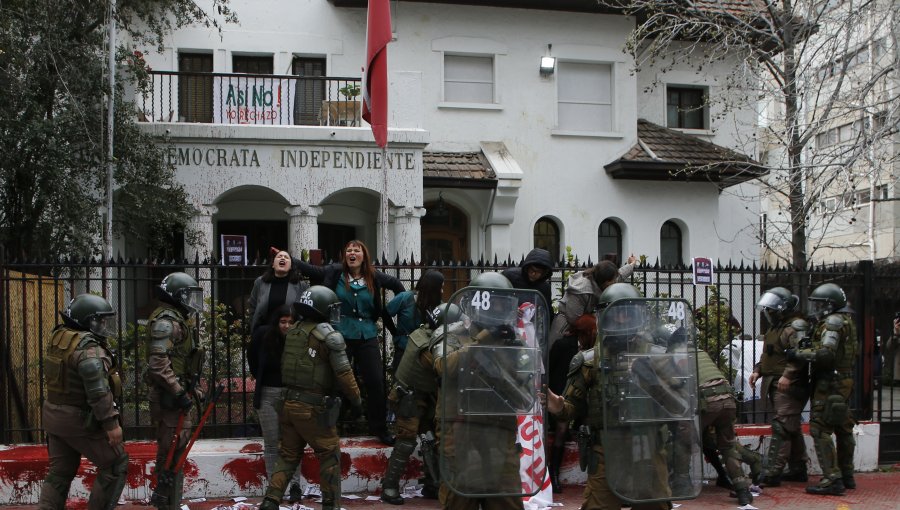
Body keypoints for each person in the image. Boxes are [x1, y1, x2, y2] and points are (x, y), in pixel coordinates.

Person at [543, 283, 693, 510]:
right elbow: (570, 408)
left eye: (628, 313)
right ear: (603, 317)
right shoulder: (588, 361)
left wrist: (652, 381)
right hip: (605, 453)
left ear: (639, 316)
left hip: (649, 450)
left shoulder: (658, 358)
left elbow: (681, 408)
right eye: (615, 313)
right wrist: (556, 405)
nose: (622, 319)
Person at [431, 271, 544, 510]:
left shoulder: (514, 344)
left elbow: (525, 395)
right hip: (459, 431)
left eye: (504, 304)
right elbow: (444, 366)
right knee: (459, 501)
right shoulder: (451, 334)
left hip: (499, 434)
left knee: (506, 500)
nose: (499, 309)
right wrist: (484, 339)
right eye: (494, 303)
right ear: (476, 302)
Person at [259, 286, 363, 510]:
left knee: (287, 455)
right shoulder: (329, 336)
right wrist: (357, 401)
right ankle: (331, 504)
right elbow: (344, 374)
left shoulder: (295, 330)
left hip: (287, 404)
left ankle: (270, 500)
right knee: (329, 454)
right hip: (312, 407)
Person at [294, 240, 405, 445]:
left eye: (357, 250)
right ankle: (332, 426)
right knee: (336, 383)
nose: (352, 253)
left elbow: (398, 286)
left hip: (367, 335)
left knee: (375, 382)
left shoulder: (374, 275)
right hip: (340, 335)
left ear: (364, 255)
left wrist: (403, 306)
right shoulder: (335, 272)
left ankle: (379, 428)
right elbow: (311, 270)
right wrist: (288, 258)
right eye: (349, 250)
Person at [38, 294, 128, 509]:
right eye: (100, 321)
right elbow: (98, 391)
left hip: (54, 417)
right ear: (87, 321)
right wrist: (111, 424)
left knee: (59, 473)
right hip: (78, 420)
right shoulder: (88, 349)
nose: (104, 326)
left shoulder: (60, 337)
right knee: (116, 463)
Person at [381, 301, 462, 505]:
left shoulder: (422, 332)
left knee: (431, 440)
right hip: (409, 397)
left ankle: (432, 484)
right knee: (406, 443)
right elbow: (443, 368)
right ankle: (389, 487)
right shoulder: (432, 345)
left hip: (422, 396)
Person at [668, 326, 755, 506]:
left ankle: (682, 484)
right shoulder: (701, 352)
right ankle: (743, 490)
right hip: (728, 399)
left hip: (707, 401)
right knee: (728, 446)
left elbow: (675, 383)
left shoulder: (677, 354)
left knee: (683, 440)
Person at [790, 282, 858, 496]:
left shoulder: (833, 322)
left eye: (820, 304)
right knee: (843, 426)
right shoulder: (846, 321)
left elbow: (827, 354)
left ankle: (832, 479)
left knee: (820, 428)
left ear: (831, 304)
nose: (816, 309)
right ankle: (847, 475)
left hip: (830, 382)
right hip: (843, 380)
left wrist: (799, 354)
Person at [145, 272, 205, 509]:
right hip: (168, 399)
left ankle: (172, 503)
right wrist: (179, 392)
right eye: (188, 296)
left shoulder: (178, 321)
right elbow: (158, 364)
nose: (192, 302)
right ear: (177, 296)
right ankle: (165, 503)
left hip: (176, 396)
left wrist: (193, 390)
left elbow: (182, 360)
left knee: (176, 456)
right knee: (169, 456)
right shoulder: (166, 323)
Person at [749, 286, 811, 486]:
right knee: (791, 426)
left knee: (782, 426)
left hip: (789, 385)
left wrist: (788, 375)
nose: (769, 313)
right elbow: (768, 354)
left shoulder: (795, 327)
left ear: (782, 309)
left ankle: (772, 472)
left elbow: (801, 354)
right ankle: (798, 468)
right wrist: (758, 370)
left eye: (772, 309)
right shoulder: (775, 329)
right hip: (774, 382)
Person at [249, 305, 304, 502]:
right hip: (267, 394)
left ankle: (295, 484)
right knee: (272, 443)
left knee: (293, 443)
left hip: (292, 394)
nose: (286, 326)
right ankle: (274, 488)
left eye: (290, 322)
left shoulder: (300, 338)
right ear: (276, 322)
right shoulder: (263, 336)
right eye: (283, 322)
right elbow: (253, 361)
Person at [545, 313, 595, 493]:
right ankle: (554, 473)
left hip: (583, 397)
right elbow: (550, 368)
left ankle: (593, 473)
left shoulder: (592, 350)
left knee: (588, 426)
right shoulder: (563, 345)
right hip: (563, 394)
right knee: (561, 430)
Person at [550, 257, 636, 347]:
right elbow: (574, 318)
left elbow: (620, 275)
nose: (614, 283)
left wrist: (632, 264)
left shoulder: (605, 280)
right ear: (604, 281)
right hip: (566, 327)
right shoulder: (581, 290)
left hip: (585, 326)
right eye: (612, 281)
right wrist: (594, 325)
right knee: (558, 353)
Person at [386, 269, 445, 370]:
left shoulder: (438, 305)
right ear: (432, 288)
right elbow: (385, 313)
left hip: (425, 353)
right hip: (404, 351)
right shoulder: (404, 298)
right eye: (441, 287)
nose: (442, 291)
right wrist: (394, 332)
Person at [248, 249, 309, 334]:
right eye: (279, 256)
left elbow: (303, 312)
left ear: (291, 266)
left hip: (289, 335)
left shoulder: (301, 286)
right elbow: (252, 306)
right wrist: (255, 327)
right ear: (273, 264)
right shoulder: (260, 282)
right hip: (264, 334)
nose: (283, 258)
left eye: (286, 257)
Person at [501, 247, 554, 315]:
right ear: (527, 267)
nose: (533, 274)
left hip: (531, 324)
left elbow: (547, 311)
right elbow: (497, 298)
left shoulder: (545, 288)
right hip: (506, 321)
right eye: (532, 269)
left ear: (544, 273)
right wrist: (511, 309)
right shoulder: (510, 276)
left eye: (538, 272)